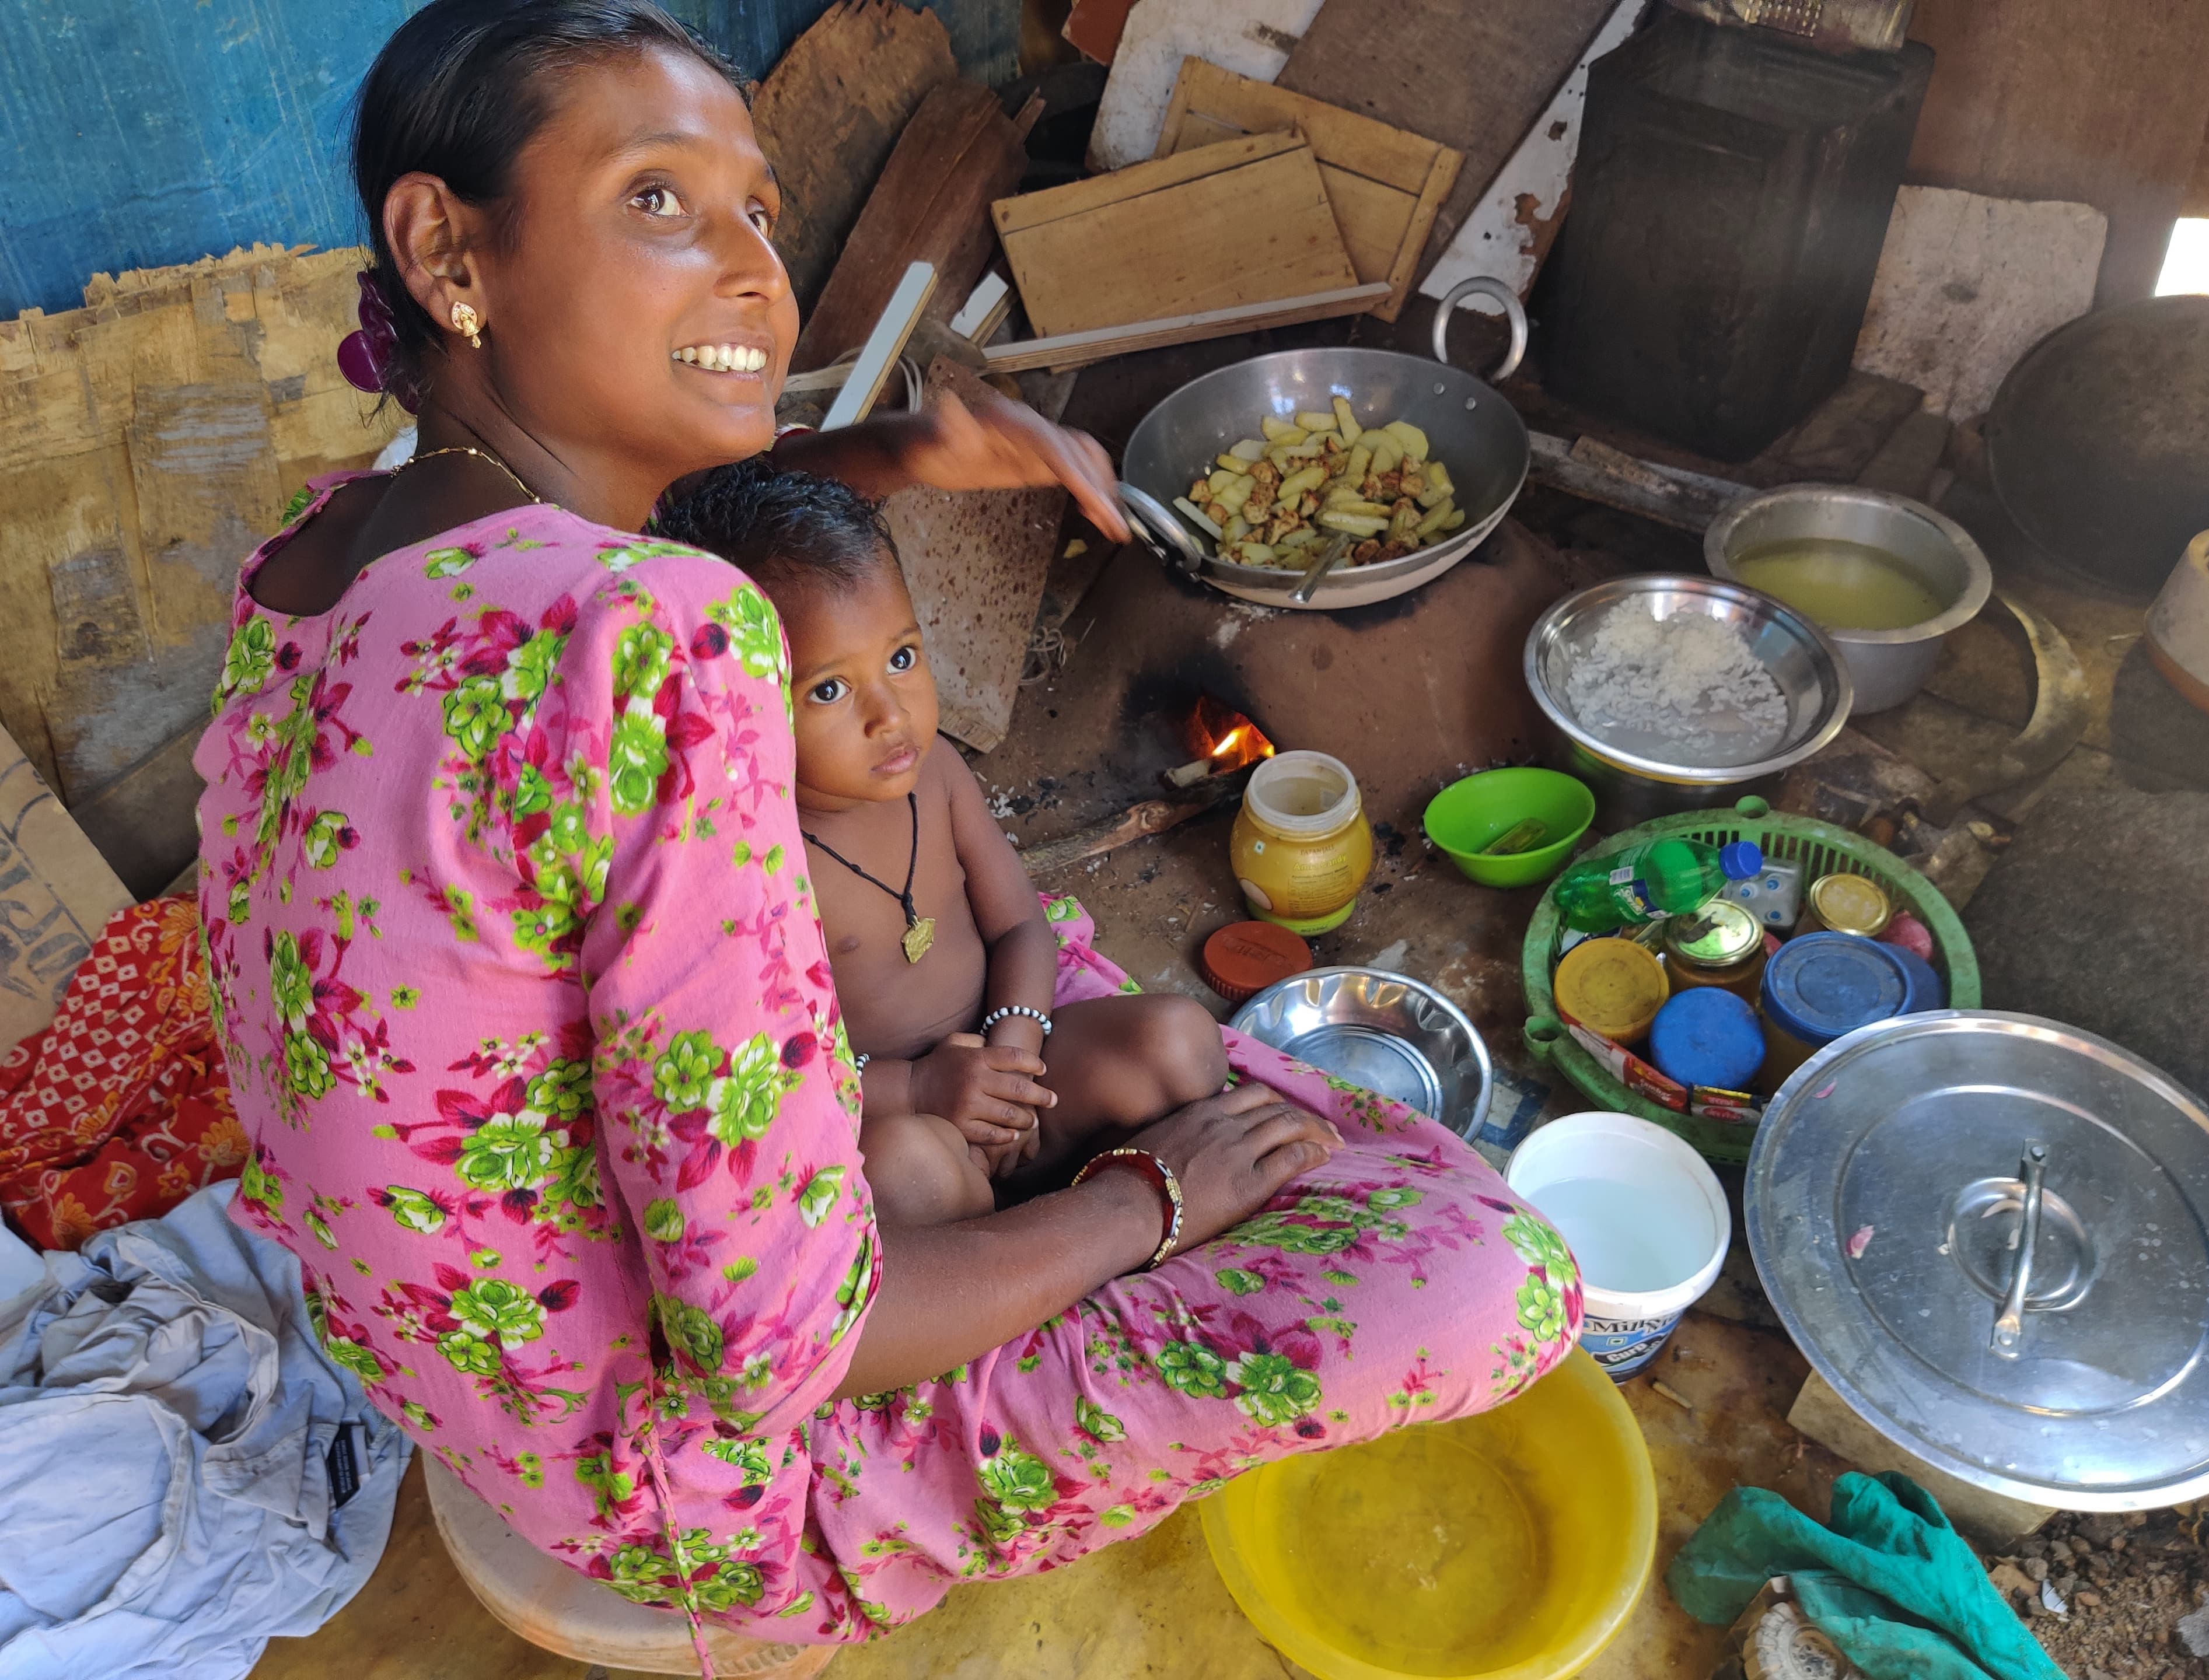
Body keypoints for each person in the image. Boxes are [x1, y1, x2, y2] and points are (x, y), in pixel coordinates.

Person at [195, 0, 1581, 1651]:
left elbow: (610, 557)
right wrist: (1143, 1203)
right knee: (1483, 1270)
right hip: (677, 1466)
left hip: (456, 1362)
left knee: (1040, 1004)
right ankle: (1022, 1313)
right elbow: (796, 1343)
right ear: (445, 248)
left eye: (759, 212)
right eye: (657, 201)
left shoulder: (319, 554)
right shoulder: (654, 637)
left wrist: (887, 458)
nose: (752, 273)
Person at [655, 465, 1229, 1223]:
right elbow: (772, 1075)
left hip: (1011, 1066)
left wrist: (1014, 1060)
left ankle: (1037, 1210)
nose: (890, 716)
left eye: (901, 658)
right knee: (907, 1172)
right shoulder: (751, 864)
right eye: (829, 689)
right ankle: (1011, 1259)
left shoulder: (939, 771)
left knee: (1181, 1041)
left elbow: (1021, 923)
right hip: (886, 1111)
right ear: (735, 705)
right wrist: (922, 1090)